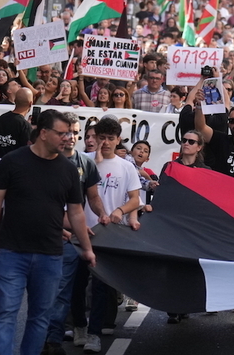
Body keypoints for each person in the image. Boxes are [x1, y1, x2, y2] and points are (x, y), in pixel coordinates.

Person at [0, 110, 95, 355]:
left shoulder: (68, 170)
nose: (67, 138)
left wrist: (86, 249)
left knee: (39, 317)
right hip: (11, 252)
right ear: (43, 133)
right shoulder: (12, 161)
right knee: (7, 314)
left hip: (50, 255)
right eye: (61, 133)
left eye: (69, 133)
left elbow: (76, 213)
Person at [45, 113, 108, 354]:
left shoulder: (86, 163)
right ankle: (47, 335)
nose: (70, 136)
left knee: (65, 291)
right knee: (50, 290)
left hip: (72, 238)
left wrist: (101, 213)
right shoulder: (46, 161)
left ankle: (52, 339)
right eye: (66, 131)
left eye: (74, 132)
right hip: (49, 234)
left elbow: (92, 197)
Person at [82, 116, 141, 354]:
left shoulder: (126, 166)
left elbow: (135, 198)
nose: (105, 143)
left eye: (110, 138)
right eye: (101, 137)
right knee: (74, 285)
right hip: (80, 231)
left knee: (99, 286)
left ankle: (93, 333)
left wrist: (121, 211)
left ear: (118, 140)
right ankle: (76, 326)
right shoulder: (82, 160)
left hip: (106, 233)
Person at [0, 88, 33, 158]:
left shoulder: (2, 118)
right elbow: (27, 151)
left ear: (15, 100)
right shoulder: (25, 126)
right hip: (16, 166)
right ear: (30, 103)